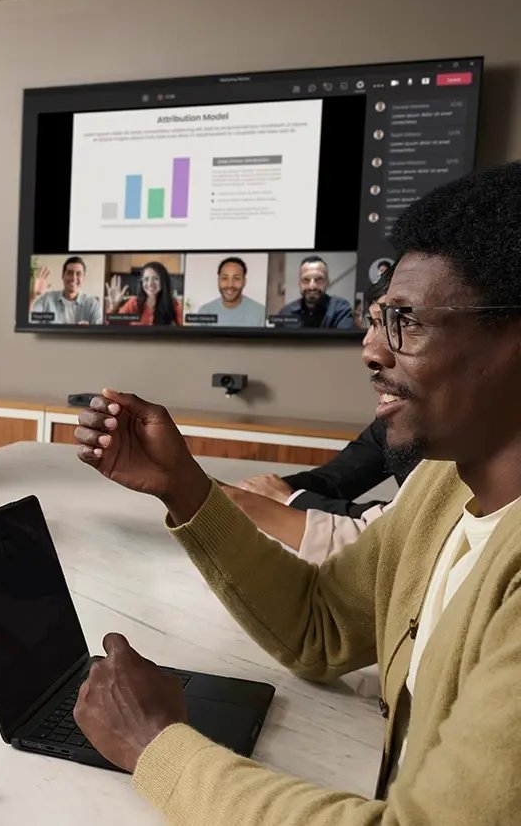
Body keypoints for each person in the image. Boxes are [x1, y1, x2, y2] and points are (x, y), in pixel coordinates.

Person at [71, 161, 521, 823]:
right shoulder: (442, 484)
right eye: (377, 319)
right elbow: (323, 625)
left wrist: (156, 747)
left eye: (407, 322)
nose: (372, 350)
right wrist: (185, 488)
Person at [224, 266, 420, 560]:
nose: (368, 347)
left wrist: (288, 500)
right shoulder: (395, 417)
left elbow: (404, 527)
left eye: (395, 323)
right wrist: (260, 493)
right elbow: (334, 479)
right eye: (374, 323)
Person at [276, 255, 354, 328]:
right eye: (306, 280)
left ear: (327, 282)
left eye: (319, 279)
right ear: (299, 284)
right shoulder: (286, 313)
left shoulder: (340, 310)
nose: (312, 287)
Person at [29, 255, 103, 325]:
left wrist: (90, 330)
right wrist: (33, 295)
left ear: (83, 278)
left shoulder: (93, 304)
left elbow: (100, 330)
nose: (74, 278)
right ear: (63, 276)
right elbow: (30, 320)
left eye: (78, 274)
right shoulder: (47, 299)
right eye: (70, 273)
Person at [195, 256, 266, 327]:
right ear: (218, 281)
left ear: (244, 282)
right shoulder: (205, 312)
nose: (230, 285)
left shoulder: (261, 312)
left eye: (236, 278)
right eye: (225, 278)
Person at [113, 261, 183, 326]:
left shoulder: (174, 305)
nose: (150, 284)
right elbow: (114, 325)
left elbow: (184, 329)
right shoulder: (133, 303)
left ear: (163, 281)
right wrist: (114, 307)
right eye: (146, 279)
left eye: (155, 278)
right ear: (142, 282)